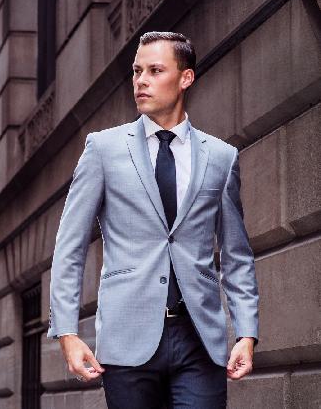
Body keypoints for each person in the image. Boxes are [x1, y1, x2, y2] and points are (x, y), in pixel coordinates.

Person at [47, 31, 259, 408]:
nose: (141, 80)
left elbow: (236, 254)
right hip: (127, 338)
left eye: (155, 70)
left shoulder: (222, 157)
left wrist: (246, 332)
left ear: (185, 78)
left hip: (199, 339)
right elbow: (70, 246)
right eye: (136, 71)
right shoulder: (103, 149)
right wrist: (66, 331)